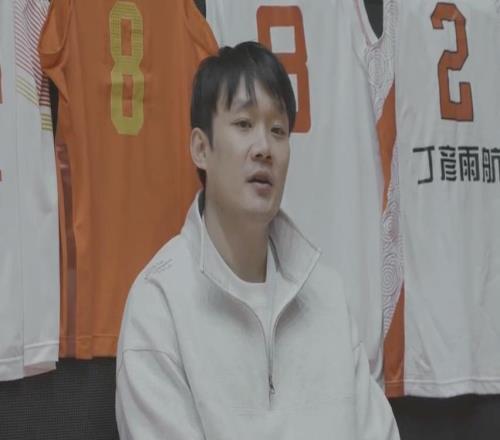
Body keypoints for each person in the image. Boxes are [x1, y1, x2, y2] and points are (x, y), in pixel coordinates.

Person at [115, 41, 400, 440]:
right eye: (244, 124)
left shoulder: (327, 294)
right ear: (201, 148)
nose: (264, 148)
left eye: (278, 130)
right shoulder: (159, 304)